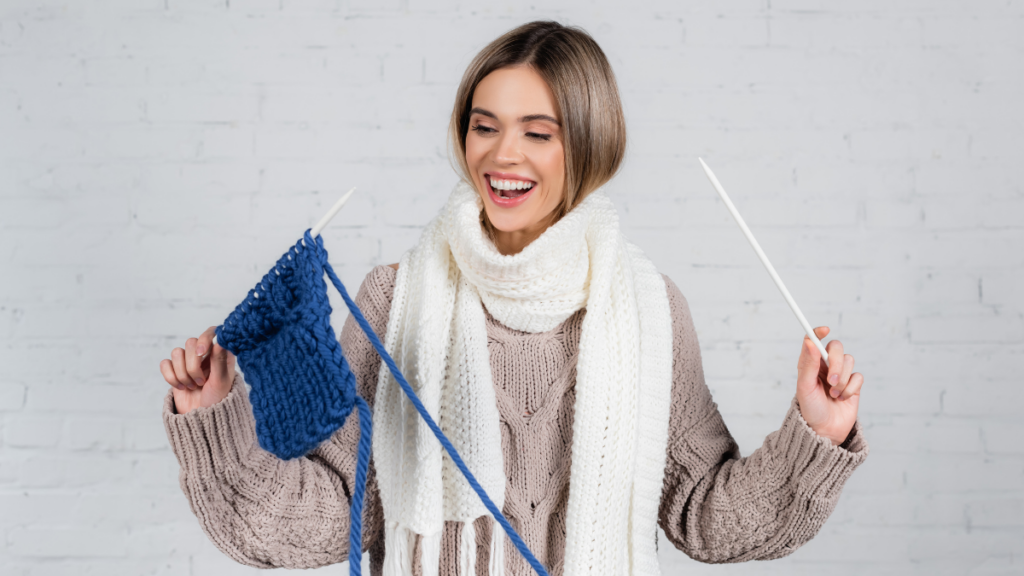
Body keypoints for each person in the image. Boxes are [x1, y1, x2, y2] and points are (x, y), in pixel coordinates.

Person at [159, 20, 868, 576]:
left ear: (587, 145)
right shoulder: (394, 299)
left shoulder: (649, 310)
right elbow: (332, 521)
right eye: (484, 125)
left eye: (539, 132)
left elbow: (703, 518)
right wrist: (214, 420)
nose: (503, 156)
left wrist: (817, 430)